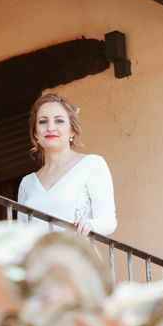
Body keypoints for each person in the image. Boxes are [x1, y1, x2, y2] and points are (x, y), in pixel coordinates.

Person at [17, 93, 117, 237]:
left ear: (72, 130)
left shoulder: (92, 164)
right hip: (40, 259)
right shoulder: (27, 183)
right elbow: (21, 236)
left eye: (59, 121)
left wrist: (90, 225)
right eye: (43, 121)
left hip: (76, 256)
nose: (50, 127)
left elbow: (108, 221)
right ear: (35, 134)